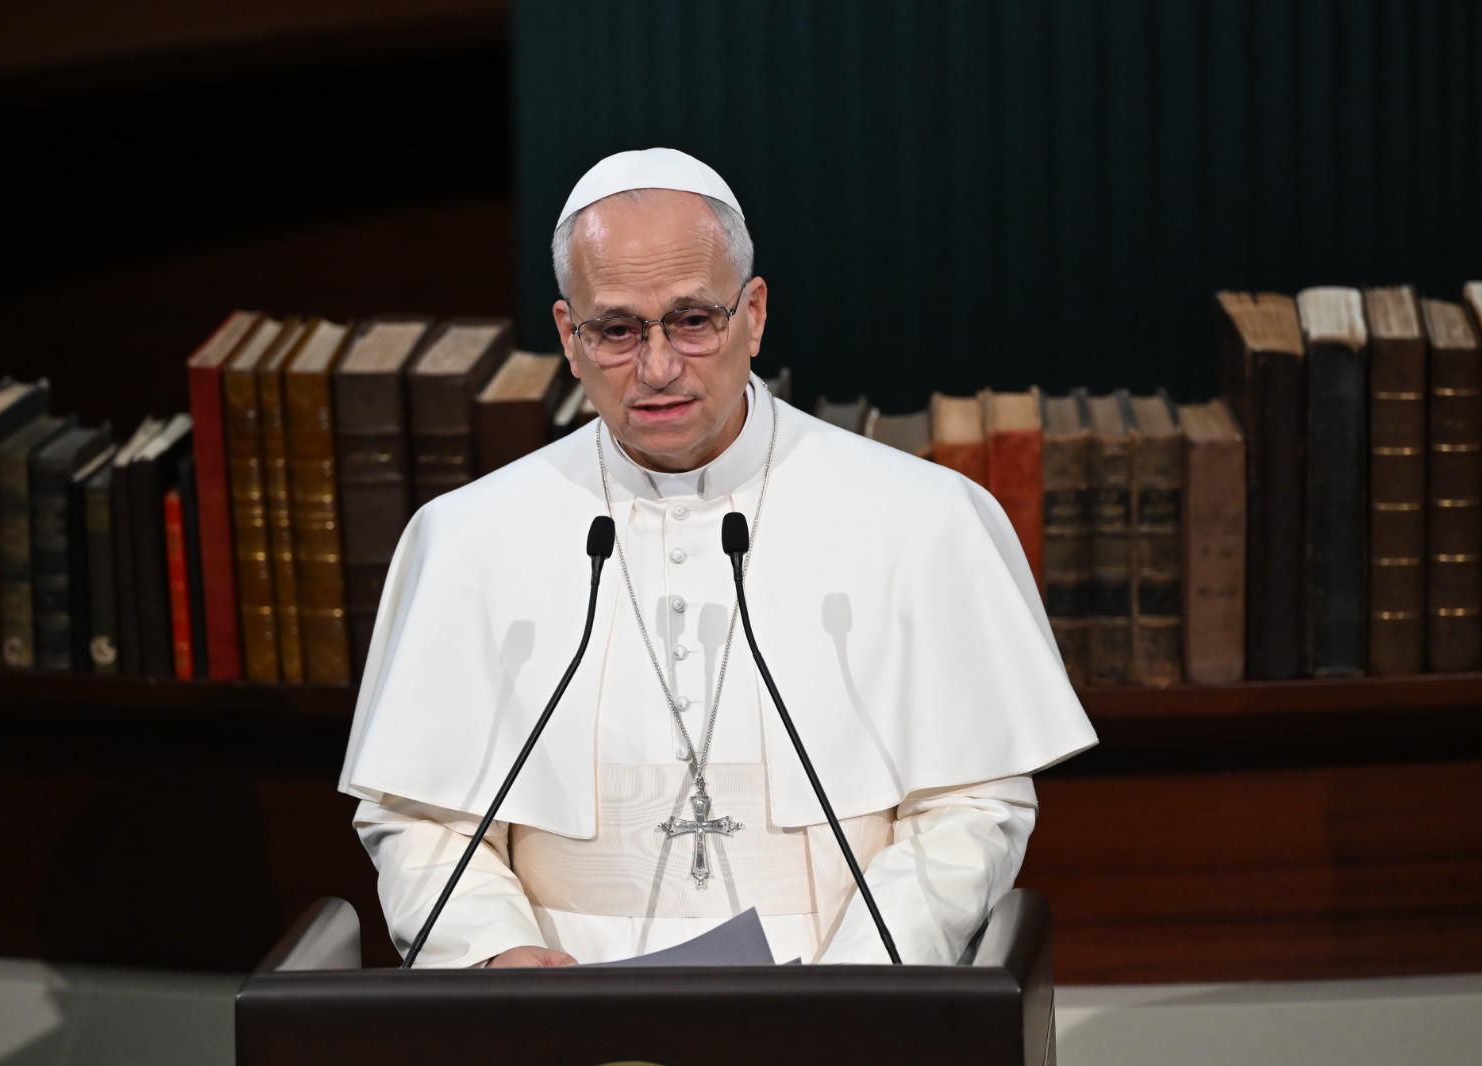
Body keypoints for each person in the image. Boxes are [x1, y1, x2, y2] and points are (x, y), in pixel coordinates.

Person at [339, 148, 1097, 968]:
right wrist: (497, 949)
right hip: (562, 1005)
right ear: (568, 335)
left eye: (693, 320)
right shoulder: (468, 538)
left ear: (754, 314)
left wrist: (861, 981)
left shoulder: (922, 518)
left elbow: (970, 807)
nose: (658, 367)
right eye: (617, 330)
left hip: (837, 989)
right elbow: (422, 820)